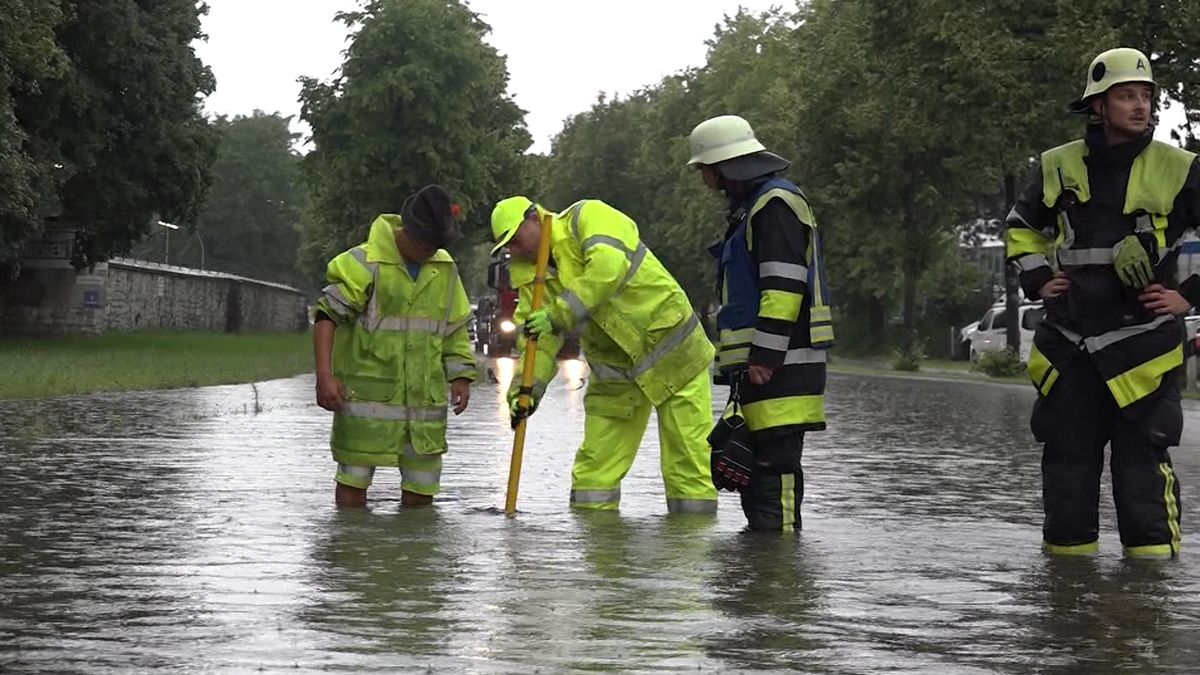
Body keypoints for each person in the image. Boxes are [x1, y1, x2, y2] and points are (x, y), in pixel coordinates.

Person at [1005, 47, 1200, 558]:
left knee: (1143, 493)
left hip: (1144, 351)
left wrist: (1187, 295)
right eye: (1126, 95)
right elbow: (1021, 228)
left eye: (1146, 96)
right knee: (1066, 488)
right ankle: (1068, 612)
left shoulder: (1181, 168)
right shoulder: (1057, 164)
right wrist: (1039, 278)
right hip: (1071, 349)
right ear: (1098, 106)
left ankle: (1149, 609)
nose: (1140, 105)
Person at [490, 195, 717, 514]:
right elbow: (536, 342)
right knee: (593, 478)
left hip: (674, 353)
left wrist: (558, 314)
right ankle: (599, 554)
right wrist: (525, 391)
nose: (513, 250)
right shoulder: (531, 276)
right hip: (616, 371)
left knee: (689, 470)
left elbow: (607, 271)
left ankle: (691, 554)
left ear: (534, 218)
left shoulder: (588, 218)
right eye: (506, 247)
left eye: (514, 240)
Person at [687, 114, 834, 533]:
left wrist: (765, 356)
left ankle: (781, 580)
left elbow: (783, 286)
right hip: (762, 368)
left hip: (780, 367)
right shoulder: (755, 207)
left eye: (706, 172)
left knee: (775, 476)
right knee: (758, 479)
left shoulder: (775, 206)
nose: (705, 182)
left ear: (725, 166)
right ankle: (762, 581)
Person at [312, 184, 476, 508]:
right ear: (408, 230)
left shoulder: (444, 268)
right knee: (352, 483)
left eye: (437, 244)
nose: (431, 250)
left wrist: (461, 376)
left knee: (422, 492)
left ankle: (415, 556)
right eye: (426, 242)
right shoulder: (364, 263)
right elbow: (326, 317)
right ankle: (353, 551)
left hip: (424, 408)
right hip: (366, 402)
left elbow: (454, 330)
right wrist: (324, 375)